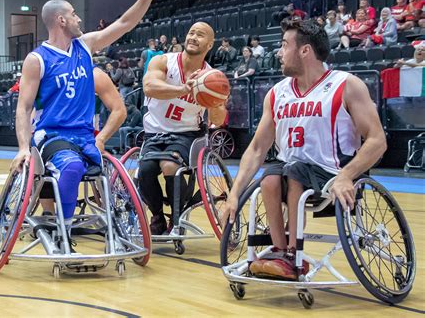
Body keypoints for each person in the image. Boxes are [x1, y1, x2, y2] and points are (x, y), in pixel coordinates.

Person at [10, 0, 167, 240]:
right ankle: (64, 232)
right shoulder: (37, 60)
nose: (79, 18)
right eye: (73, 14)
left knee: (107, 172)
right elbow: (24, 107)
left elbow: (125, 23)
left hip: (85, 135)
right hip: (52, 134)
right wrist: (23, 147)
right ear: (61, 20)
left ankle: (116, 228)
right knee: (71, 167)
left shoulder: (85, 46)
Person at [224, 19, 387, 280]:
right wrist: (234, 194)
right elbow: (256, 148)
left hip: (334, 173)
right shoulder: (276, 93)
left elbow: (377, 140)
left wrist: (347, 175)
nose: (278, 52)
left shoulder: (346, 85)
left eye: (284, 45)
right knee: (271, 176)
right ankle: (281, 251)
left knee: (292, 171)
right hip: (292, 173)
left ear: (305, 51)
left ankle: (292, 255)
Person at [140, 21, 227, 235]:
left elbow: (218, 119)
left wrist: (215, 103)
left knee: (170, 166)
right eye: (191, 33)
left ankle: (177, 219)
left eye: (200, 35)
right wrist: (182, 89)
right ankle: (158, 216)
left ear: (210, 44)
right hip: (155, 131)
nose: (193, 37)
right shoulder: (163, 61)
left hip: (187, 133)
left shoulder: (212, 77)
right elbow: (149, 87)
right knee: (145, 171)